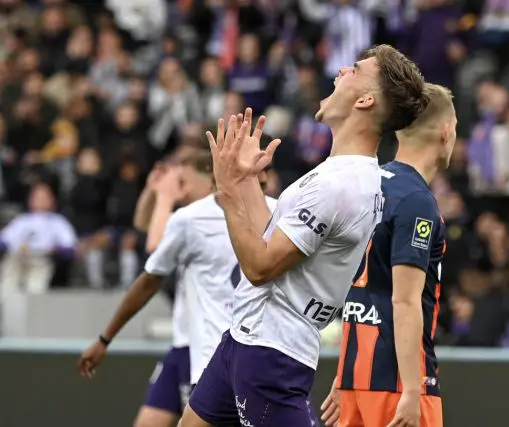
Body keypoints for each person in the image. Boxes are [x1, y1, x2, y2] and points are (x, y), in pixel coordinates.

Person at [180, 44, 426, 427]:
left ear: (365, 100)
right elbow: (270, 238)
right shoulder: (341, 174)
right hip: (245, 338)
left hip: (271, 352)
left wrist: (227, 192)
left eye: (356, 69)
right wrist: (245, 180)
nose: (341, 70)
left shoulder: (341, 185)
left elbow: (261, 267)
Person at [78, 149, 276, 427]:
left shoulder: (197, 217)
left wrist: (164, 197)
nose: (178, 188)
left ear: (209, 179)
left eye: (182, 181)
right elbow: (147, 229)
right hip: (190, 343)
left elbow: (153, 250)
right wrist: (153, 193)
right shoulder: (193, 218)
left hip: (222, 349)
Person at [321, 83, 457, 427]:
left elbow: (352, 288)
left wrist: (343, 375)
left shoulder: (367, 182)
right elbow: (404, 301)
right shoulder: (416, 200)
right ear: (446, 132)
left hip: (355, 380)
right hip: (397, 384)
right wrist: (412, 390)